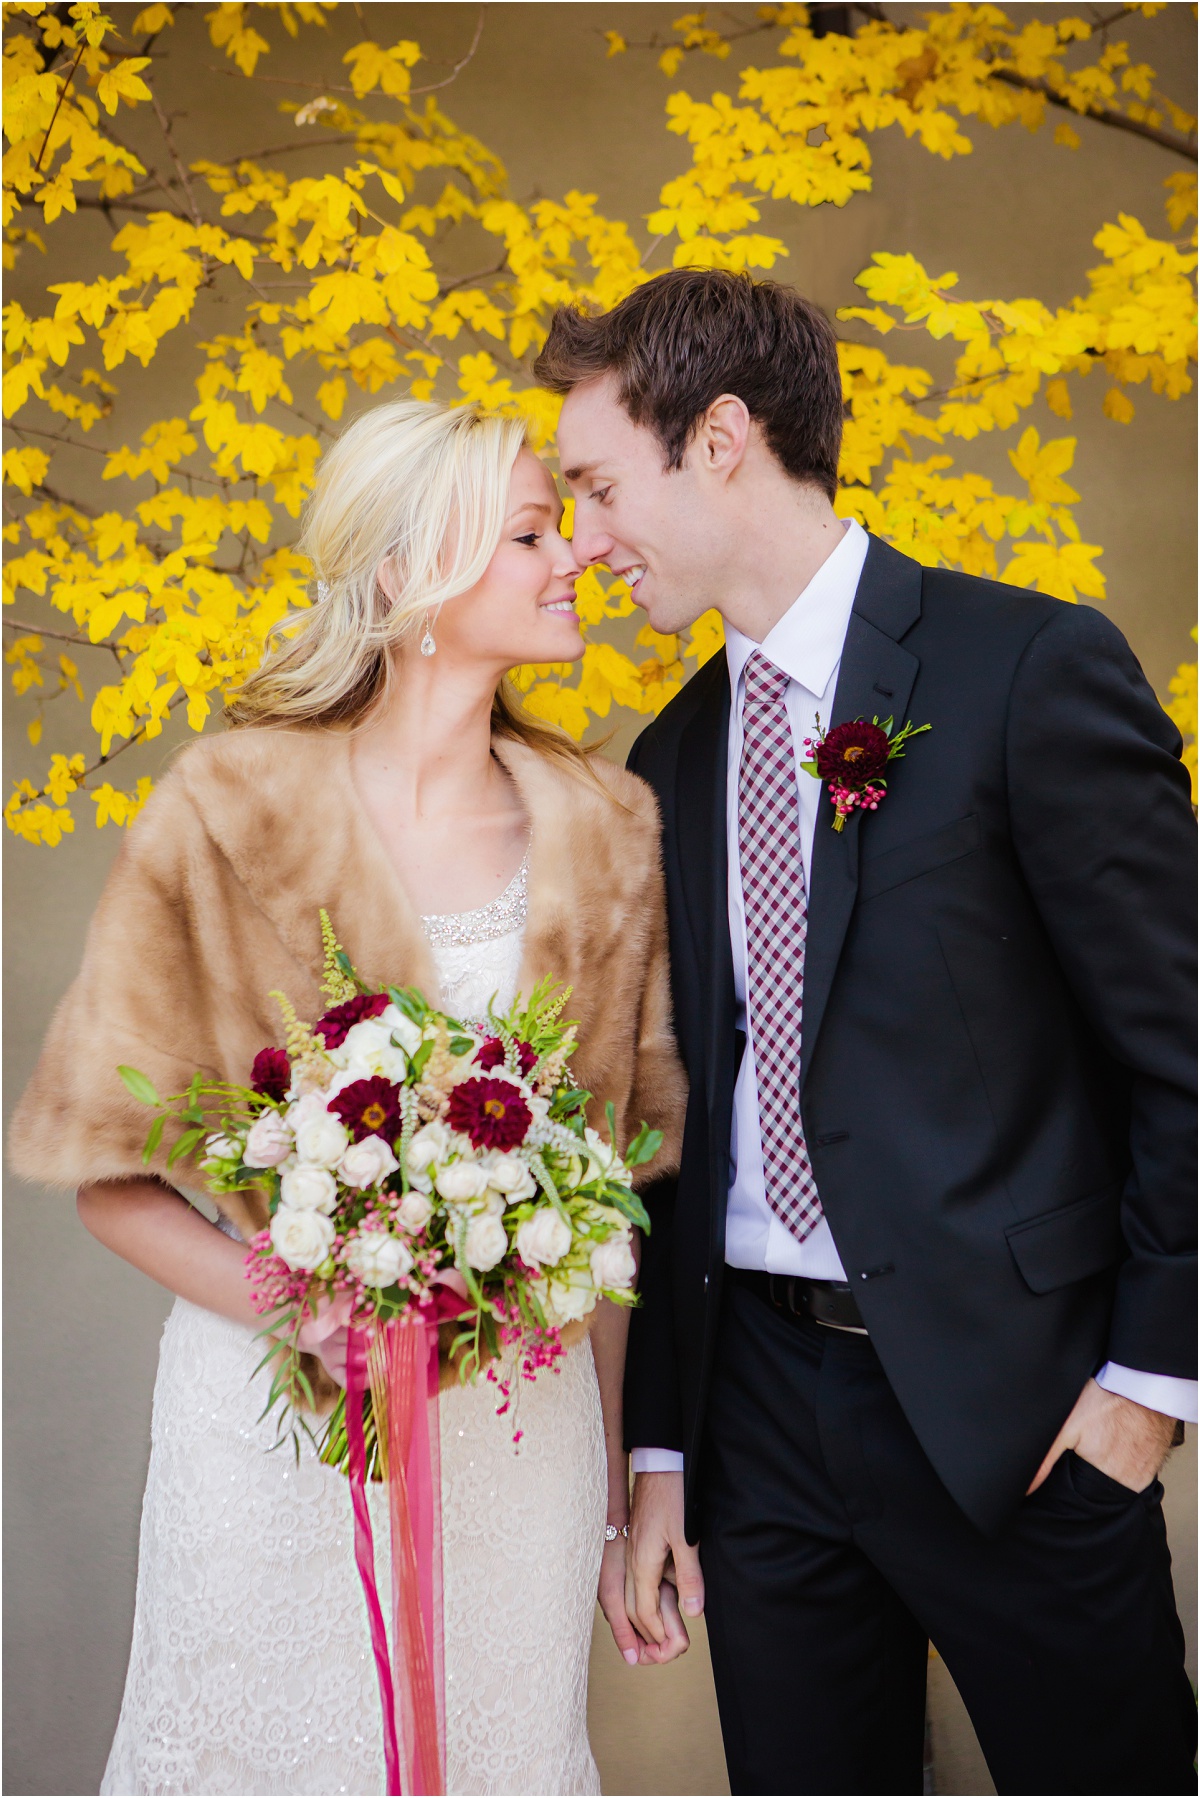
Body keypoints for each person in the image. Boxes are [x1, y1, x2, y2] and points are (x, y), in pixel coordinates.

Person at [537, 268, 1197, 1796]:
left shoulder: (1025, 669)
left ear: (717, 438)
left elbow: (1183, 1044)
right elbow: (676, 1119)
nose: (585, 538)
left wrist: (1149, 1391)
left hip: (1021, 1411)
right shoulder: (680, 749)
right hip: (761, 1421)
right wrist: (664, 1451)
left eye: (596, 485)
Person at [9, 400, 686, 1797]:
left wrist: (623, 1494)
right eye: (529, 532)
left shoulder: (607, 827)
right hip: (274, 1437)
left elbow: (621, 1219)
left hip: (521, 1442)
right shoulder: (229, 803)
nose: (572, 558)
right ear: (405, 573)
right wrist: (296, 1295)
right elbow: (107, 1174)